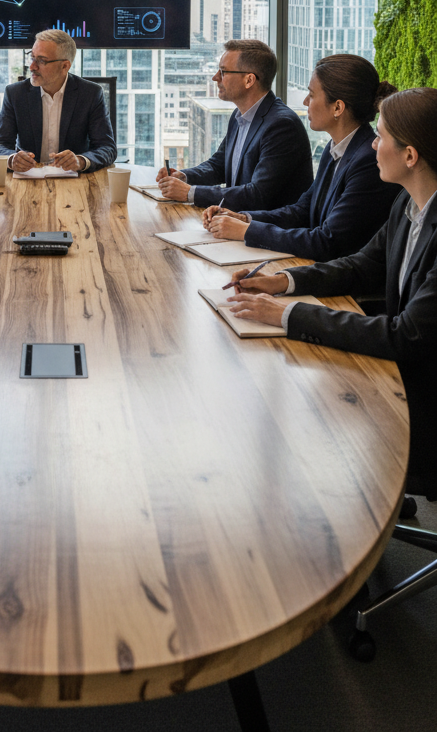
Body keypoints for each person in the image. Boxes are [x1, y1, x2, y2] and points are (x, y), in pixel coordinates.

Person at [226, 88, 437, 491]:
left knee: (296, 423)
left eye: (382, 136)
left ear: (410, 156)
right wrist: (284, 282)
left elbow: (406, 335)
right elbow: (362, 265)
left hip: (422, 399)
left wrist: (287, 315)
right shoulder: (407, 206)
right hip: (403, 373)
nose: (372, 144)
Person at [203, 54, 400, 260]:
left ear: (338, 108)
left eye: (312, 95)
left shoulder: (368, 161)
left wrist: (245, 231)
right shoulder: (335, 149)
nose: (306, 101)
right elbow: (302, 211)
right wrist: (244, 218)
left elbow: (327, 241)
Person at [156, 39, 313, 210]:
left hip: (265, 230)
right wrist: (185, 177)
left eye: (223, 72)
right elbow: (219, 165)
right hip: (235, 223)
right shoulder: (239, 115)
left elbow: (257, 194)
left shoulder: (282, 126)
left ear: (249, 80)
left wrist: (190, 193)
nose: (215, 77)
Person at [0, 30, 116, 172]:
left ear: (64, 66)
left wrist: (80, 161)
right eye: (32, 58)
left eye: (42, 61)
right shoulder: (15, 94)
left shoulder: (90, 94)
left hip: (74, 182)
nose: (32, 67)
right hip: (28, 178)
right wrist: (12, 159)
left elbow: (107, 148)